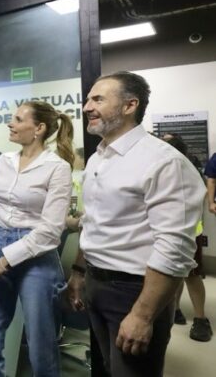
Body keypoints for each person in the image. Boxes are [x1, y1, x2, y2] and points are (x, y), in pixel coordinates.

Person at [66, 71, 205, 377]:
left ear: (130, 106)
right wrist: (78, 272)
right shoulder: (98, 158)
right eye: (88, 99)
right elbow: (94, 222)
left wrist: (143, 315)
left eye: (98, 99)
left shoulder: (163, 161)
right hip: (95, 282)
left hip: (135, 291)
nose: (87, 106)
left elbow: (175, 248)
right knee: (107, 367)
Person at [0, 100, 74, 377]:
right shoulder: (4, 162)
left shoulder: (58, 168)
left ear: (38, 128)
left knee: (41, 346)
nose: (10, 123)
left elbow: (51, 230)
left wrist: (5, 260)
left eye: (18, 119)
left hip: (37, 257)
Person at [165, 136, 212, 342]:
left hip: (188, 233)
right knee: (171, 275)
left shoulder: (186, 169)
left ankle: (201, 319)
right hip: (164, 232)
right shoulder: (162, 168)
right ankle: (175, 310)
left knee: (191, 276)